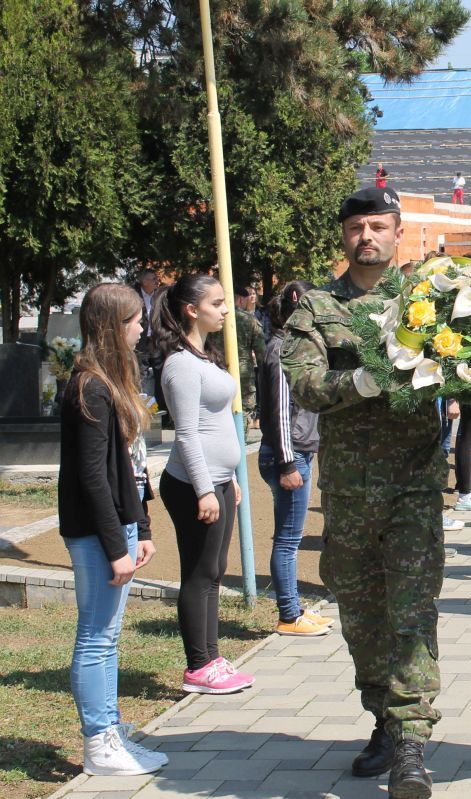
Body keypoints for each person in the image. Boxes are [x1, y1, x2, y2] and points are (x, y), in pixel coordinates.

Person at [283, 186, 446, 795]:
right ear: (345, 236)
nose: (367, 237)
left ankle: (411, 742)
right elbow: (303, 381)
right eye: (357, 227)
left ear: (399, 232)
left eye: (378, 226)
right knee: (360, 613)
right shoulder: (317, 307)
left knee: (411, 611)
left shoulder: (430, 302)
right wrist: (357, 382)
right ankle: (382, 715)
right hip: (349, 493)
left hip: (413, 485)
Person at [59, 283, 168, 777]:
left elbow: (128, 467)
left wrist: (140, 527)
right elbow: (91, 478)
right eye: (135, 320)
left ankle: (110, 729)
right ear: (111, 326)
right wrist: (114, 546)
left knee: (108, 636)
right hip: (96, 532)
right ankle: (98, 742)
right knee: (96, 636)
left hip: (118, 527)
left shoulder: (108, 382)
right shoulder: (90, 387)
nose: (142, 328)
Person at [153, 273, 254, 695]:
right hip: (193, 485)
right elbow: (187, 434)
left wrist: (227, 479)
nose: (226, 309)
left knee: (214, 571)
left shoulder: (204, 356)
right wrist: (204, 489)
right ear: (192, 310)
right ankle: (198, 666)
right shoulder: (180, 364)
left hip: (217, 482)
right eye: (217, 303)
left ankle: (212, 659)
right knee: (198, 573)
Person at [256, 279, 331, 637]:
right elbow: (279, 413)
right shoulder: (281, 350)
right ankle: (288, 615)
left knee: (291, 538)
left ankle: (295, 608)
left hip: (298, 452)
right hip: (287, 456)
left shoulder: (293, 346)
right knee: (287, 540)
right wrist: (287, 463)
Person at [230, 286, 266, 431]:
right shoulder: (248, 320)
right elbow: (261, 352)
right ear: (240, 299)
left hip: (217, 371)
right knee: (243, 412)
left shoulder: (216, 318)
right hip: (243, 375)